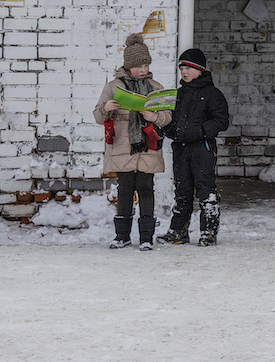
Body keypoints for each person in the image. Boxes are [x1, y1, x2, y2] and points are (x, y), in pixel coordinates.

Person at [93, 33, 172, 250]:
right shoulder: (113, 87)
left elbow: (167, 117)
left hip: (147, 145)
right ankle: (122, 236)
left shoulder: (156, 87)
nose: (143, 70)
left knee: (146, 188)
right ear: (128, 66)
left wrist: (155, 117)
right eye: (138, 66)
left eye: (146, 65)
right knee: (125, 189)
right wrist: (106, 109)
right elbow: (98, 116)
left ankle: (146, 237)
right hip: (122, 147)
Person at [158, 48, 231, 246]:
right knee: (182, 191)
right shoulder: (177, 95)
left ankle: (208, 232)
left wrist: (199, 132)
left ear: (200, 70)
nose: (184, 71)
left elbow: (221, 121)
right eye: (182, 67)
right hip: (181, 149)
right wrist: (167, 129)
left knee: (206, 191)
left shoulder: (212, 94)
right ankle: (178, 231)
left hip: (203, 149)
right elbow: (171, 122)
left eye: (189, 67)